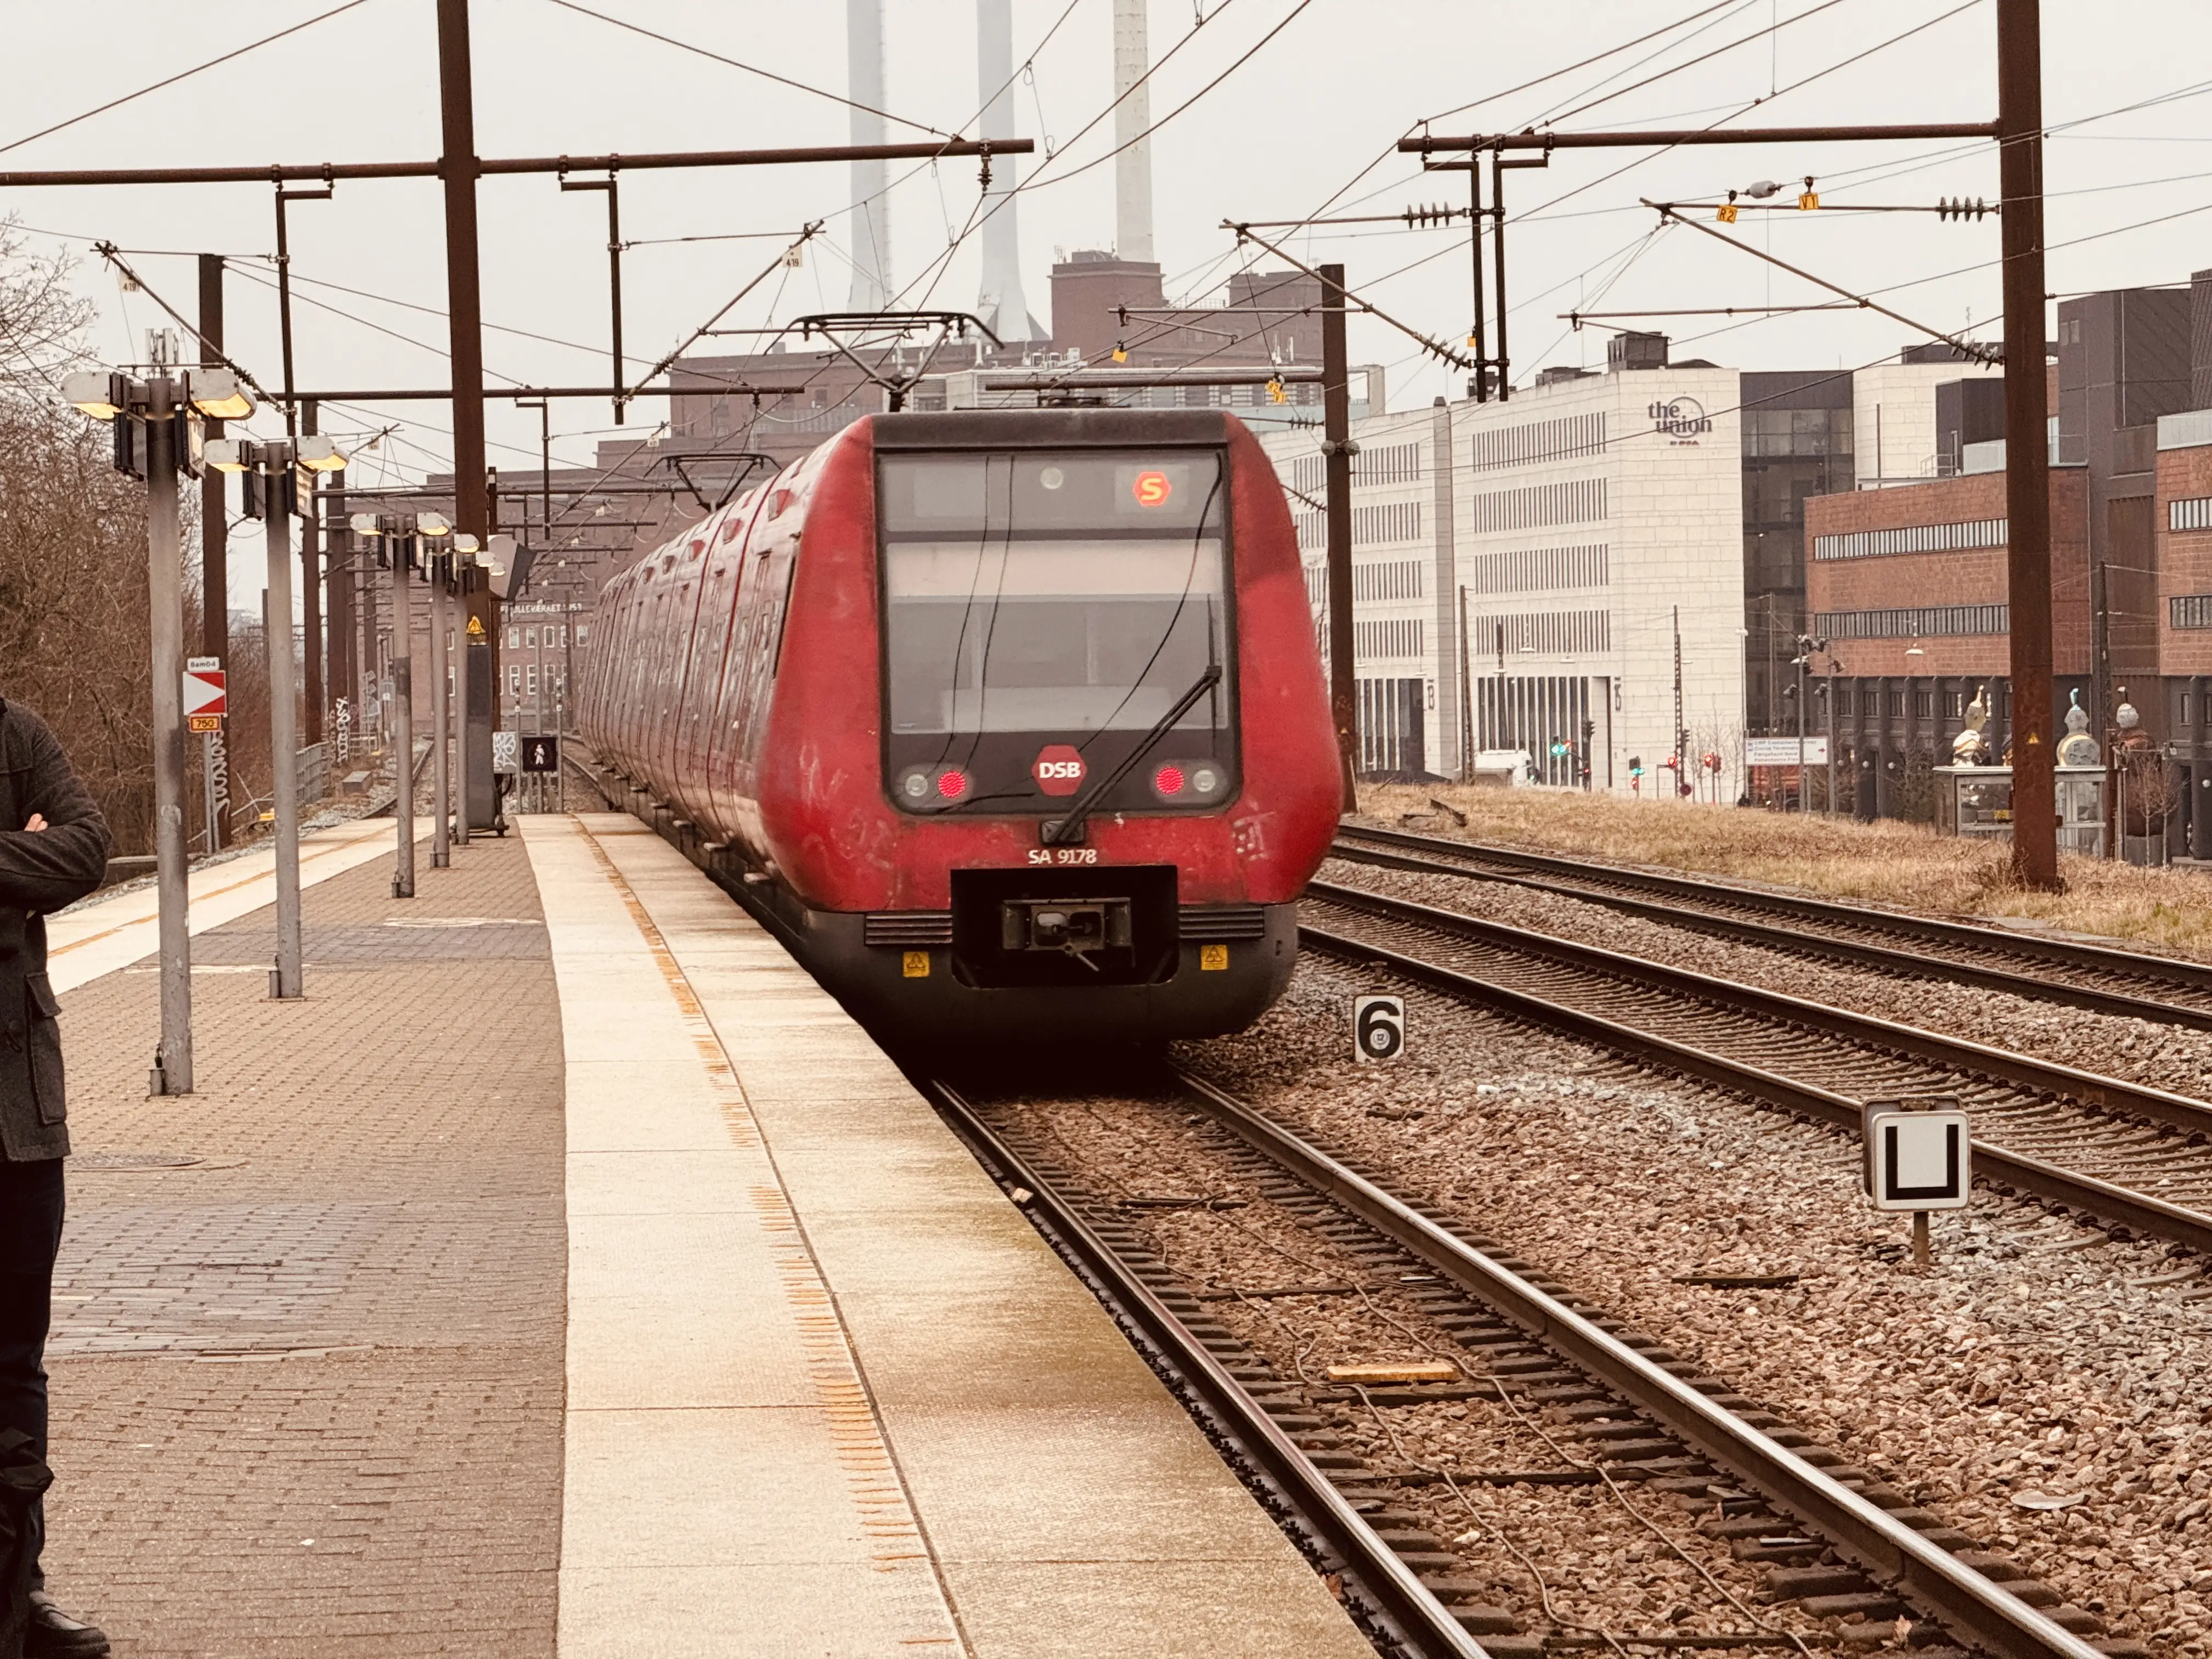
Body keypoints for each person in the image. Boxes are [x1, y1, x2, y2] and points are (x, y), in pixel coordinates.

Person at [0, 696, 112, 1658]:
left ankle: (15, 1598)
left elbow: (86, 848)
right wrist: (13, 861)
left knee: (15, 1372)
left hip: (18, 1125)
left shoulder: (17, 732)